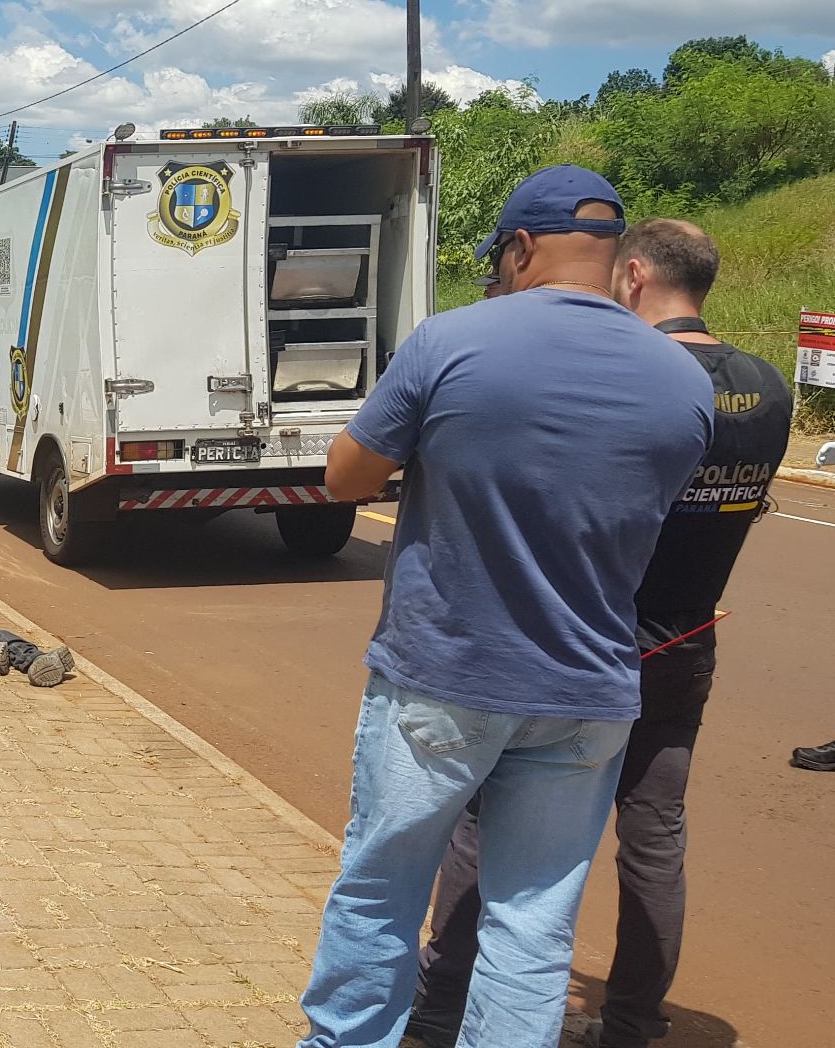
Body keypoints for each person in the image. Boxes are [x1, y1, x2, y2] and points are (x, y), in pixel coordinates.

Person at [295, 166, 713, 1048]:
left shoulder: (451, 342)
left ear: (521, 248)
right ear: (617, 258)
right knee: (532, 925)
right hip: (588, 693)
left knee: (381, 889)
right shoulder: (681, 383)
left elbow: (345, 479)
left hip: (446, 677)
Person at [403, 219, 792, 1048]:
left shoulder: (646, 378)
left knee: (489, 825)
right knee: (655, 840)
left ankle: (438, 1017)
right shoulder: (768, 387)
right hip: (686, 642)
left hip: (586, 641)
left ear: (636, 273)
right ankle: (633, 1024)